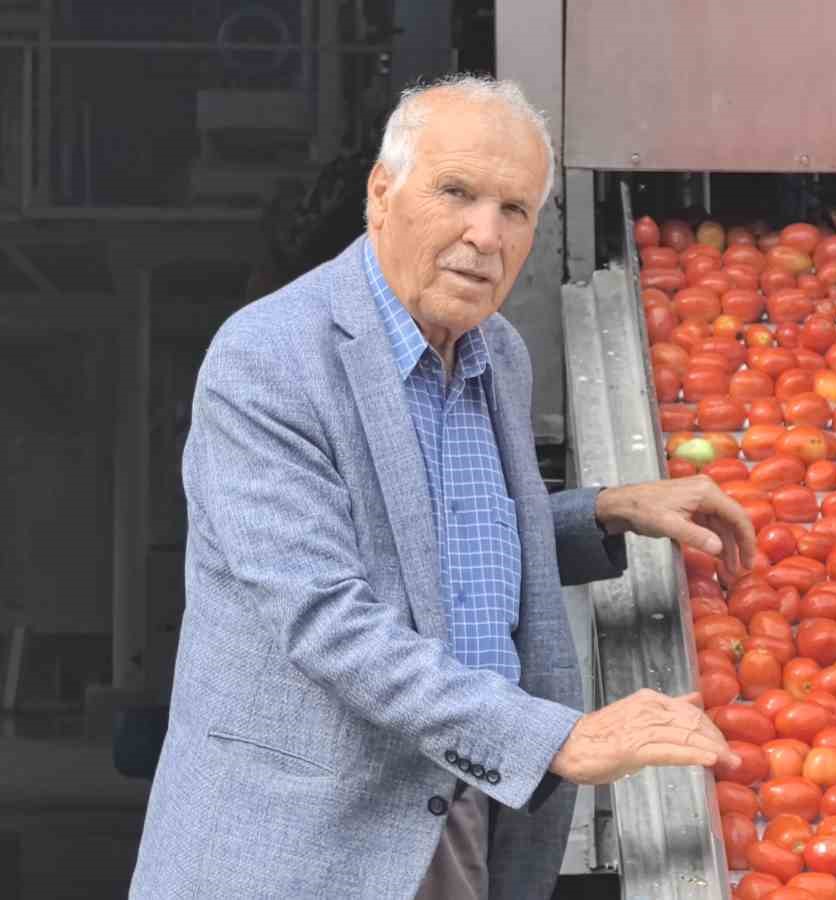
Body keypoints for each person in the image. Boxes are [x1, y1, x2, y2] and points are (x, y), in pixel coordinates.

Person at [130, 74, 755, 899]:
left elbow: (443, 536)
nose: (484, 235)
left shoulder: (495, 350)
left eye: (515, 210)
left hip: (456, 808)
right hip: (306, 838)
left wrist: (601, 513)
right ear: (382, 192)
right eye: (456, 192)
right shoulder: (269, 360)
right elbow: (325, 619)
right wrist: (555, 739)